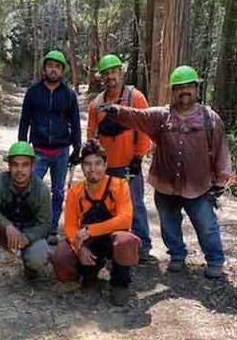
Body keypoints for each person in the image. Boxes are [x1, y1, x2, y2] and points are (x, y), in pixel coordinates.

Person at [98, 65, 232, 278]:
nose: (184, 91)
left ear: (197, 89)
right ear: (173, 91)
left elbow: (221, 151)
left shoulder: (210, 119)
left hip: (197, 186)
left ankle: (215, 260)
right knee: (169, 224)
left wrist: (220, 181)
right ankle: (177, 255)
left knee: (206, 225)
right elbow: (137, 116)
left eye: (189, 86)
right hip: (165, 183)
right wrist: (117, 111)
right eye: (179, 87)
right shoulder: (161, 116)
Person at [51, 140, 141, 305]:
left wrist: (91, 230)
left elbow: (125, 219)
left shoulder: (120, 185)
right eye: (87, 164)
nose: (93, 169)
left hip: (112, 238)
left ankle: (120, 283)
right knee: (61, 255)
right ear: (82, 167)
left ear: (106, 165)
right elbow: (70, 226)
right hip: (89, 240)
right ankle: (89, 276)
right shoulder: (75, 191)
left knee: (126, 240)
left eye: (98, 163)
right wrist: (79, 249)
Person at [87, 54, 152, 261]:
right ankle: (109, 245)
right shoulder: (96, 104)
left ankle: (142, 246)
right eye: (105, 73)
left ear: (120, 72)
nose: (109, 76)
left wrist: (139, 157)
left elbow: (145, 129)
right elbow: (91, 134)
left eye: (113, 71)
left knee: (135, 205)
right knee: (106, 207)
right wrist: (92, 159)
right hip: (105, 168)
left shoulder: (136, 98)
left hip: (128, 164)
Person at [0, 141, 51, 295]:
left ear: (32, 166)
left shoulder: (41, 190)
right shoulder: (1, 181)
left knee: (39, 256)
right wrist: (7, 226)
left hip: (28, 235)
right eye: (15, 165)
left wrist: (27, 238)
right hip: (4, 232)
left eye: (25, 165)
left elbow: (45, 224)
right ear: (9, 166)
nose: (19, 170)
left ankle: (30, 268)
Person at [18, 50, 81, 245]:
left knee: (58, 191)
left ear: (62, 71)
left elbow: (75, 122)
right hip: (38, 150)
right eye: (50, 66)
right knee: (31, 188)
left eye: (57, 66)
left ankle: (52, 227)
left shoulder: (69, 94)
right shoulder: (33, 92)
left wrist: (77, 148)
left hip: (61, 150)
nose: (53, 70)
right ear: (44, 68)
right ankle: (32, 224)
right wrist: (22, 146)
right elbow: (24, 120)